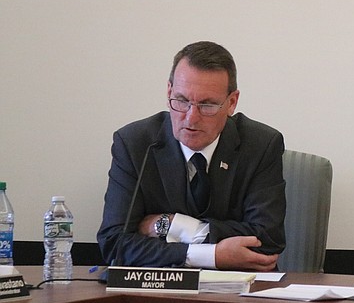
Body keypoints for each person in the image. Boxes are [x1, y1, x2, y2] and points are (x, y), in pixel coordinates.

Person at [97, 41, 286, 271]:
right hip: (157, 295)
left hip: (239, 297)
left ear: (231, 103)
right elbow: (115, 244)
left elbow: (268, 239)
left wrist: (177, 226)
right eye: (182, 101)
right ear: (168, 92)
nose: (191, 118)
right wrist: (211, 255)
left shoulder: (261, 145)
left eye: (207, 105)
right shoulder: (135, 144)